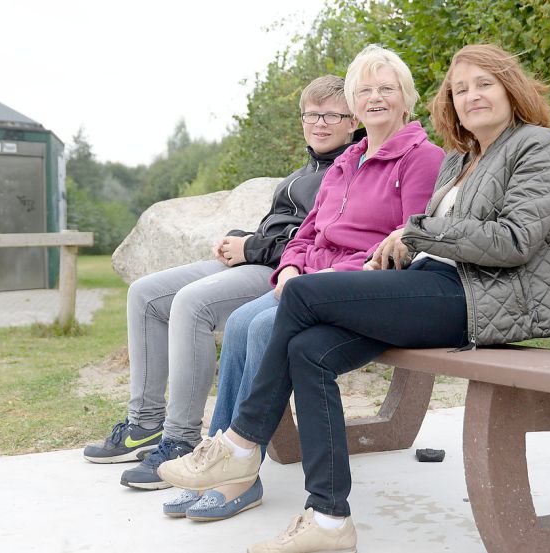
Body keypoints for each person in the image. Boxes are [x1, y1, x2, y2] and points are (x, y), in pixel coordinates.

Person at [158, 43, 550, 553]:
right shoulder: (462, 159)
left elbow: (514, 241)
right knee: (307, 350)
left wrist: (418, 234)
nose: (471, 96)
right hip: (431, 286)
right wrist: (398, 254)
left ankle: (241, 443)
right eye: (461, 88)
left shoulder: (538, 145)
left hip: (481, 299)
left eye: (484, 84)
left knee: (303, 295)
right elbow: (427, 238)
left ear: (512, 89)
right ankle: (329, 520)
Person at [163, 44, 445, 522]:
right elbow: (308, 231)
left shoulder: (420, 158)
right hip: (306, 283)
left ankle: (238, 475)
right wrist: (290, 267)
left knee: (257, 330)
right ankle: (220, 456)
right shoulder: (345, 160)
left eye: (386, 88)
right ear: (354, 102)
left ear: (405, 97)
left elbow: (409, 245)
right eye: (365, 89)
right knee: (238, 327)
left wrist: (340, 276)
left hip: (359, 289)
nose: (375, 97)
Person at [81, 75, 360, 491]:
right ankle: (144, 425)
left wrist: (252, 248)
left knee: (193, 303)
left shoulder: (348, 170)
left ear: (352, 120)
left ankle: (180, 440)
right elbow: (284, 228)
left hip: (285, 274)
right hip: (258, 259)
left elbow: (318, 241)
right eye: (311, 114)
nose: (319, 123)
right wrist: (243, 239)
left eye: (331, 115)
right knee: (145, 294)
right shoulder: (307, 169)